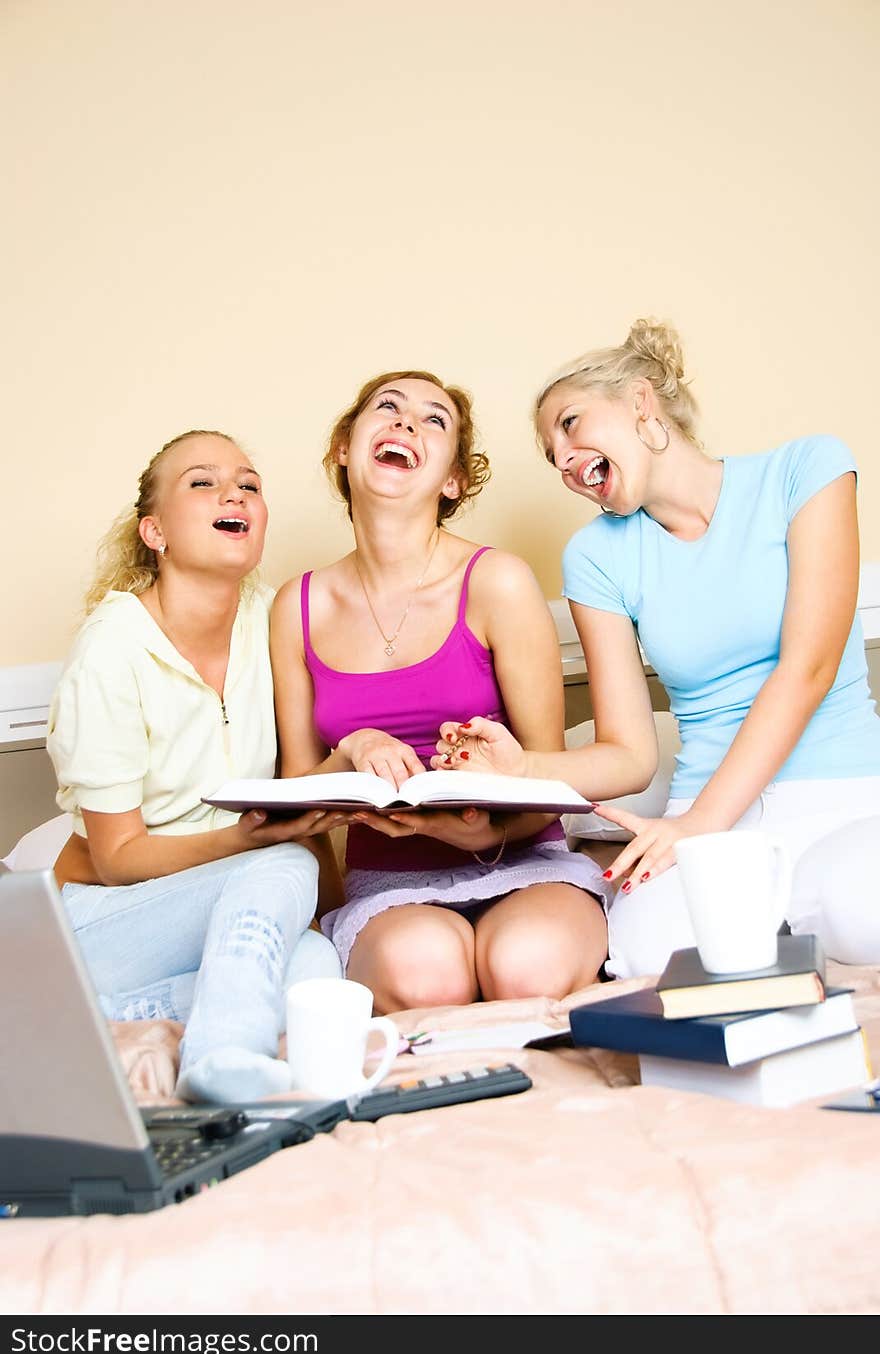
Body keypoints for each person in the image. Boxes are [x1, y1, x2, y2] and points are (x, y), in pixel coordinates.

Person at [433, 320, 880, 975]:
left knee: (857, 906)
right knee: (644, 949)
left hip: (840, 794)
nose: (562, 459)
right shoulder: (595, 555)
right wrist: (519, 768)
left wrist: (700, 822)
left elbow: (807, 669)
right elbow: (629, 753)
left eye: (570, 423)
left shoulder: (806, 471)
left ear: (641, 402)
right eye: (551, 453)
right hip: (708, 817)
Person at [270, 372, 611, 1013]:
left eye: (434, 421)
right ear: (345, 447)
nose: (405, 424)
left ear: (453, 479)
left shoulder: (499, 582)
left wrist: (478, 830)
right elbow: (297, 800)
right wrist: (352, 750)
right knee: (428, 978)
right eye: (387, 409)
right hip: (390, 888)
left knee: (525, 967)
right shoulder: (297, 605)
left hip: (525, 860)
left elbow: (550, 781)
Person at [47, 429, 345, 1104]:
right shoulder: (111, 651)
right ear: (155, 531)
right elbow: (117, 856)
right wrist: (250, 841)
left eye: (249, 482)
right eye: (202, 481)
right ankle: (221, 1053)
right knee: (285, 862)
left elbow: (299, 781)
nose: (233, 491)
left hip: (224, 900)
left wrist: (345, 766)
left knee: (316, 966)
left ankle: (103, 1009)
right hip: (99, 920)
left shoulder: (270, 621)